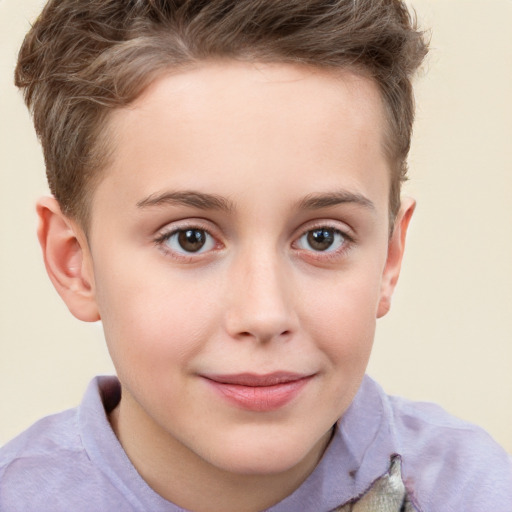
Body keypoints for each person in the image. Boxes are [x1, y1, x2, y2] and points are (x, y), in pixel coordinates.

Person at [0, 0, 510, 511]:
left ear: (390, 257)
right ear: (75, 262)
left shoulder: (477, 493)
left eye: (322, 238)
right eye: (189, 238)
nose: (264, 315)